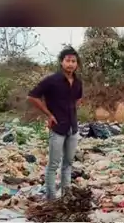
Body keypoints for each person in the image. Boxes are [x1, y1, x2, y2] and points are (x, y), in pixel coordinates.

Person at [27, 46, 83, 201]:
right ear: (61, 62)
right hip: (57, 128)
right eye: (68, 60)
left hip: (72, 128)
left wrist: (71, 110)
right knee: (53, 165)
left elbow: (79, 98)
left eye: (73, 61)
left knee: (68, 163)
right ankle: (51, 198)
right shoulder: (52, 80)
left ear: (77, 64)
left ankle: (66, 196)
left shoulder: (77, 82)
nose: (70, 64)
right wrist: (49, 114)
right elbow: (32, 96)